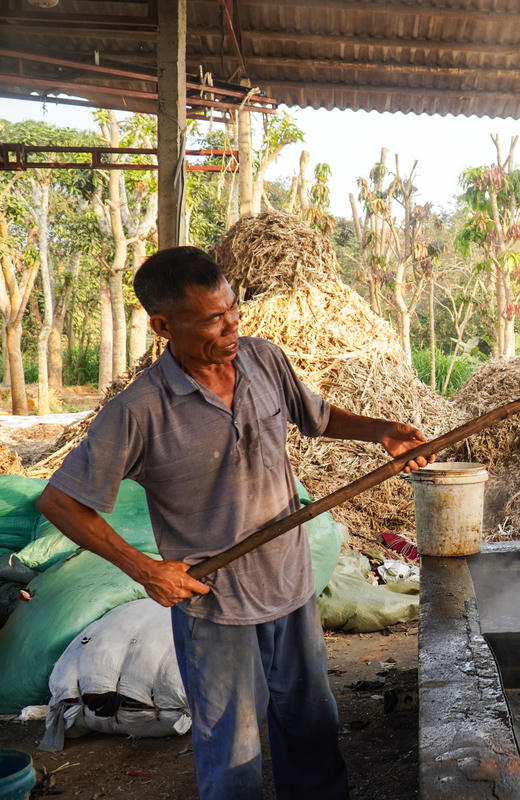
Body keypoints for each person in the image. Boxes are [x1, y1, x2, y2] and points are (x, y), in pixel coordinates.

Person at [36, 246, 432, 800]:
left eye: (232, 309)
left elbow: (317, 417)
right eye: (212, 319)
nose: (231, 327)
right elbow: (60, 502)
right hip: (216, 607)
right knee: (232, 751)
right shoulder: (139, 410)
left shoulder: (263, 359)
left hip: (290, 587)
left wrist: (379, 430)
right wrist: (146, 570)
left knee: (312, 729)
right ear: (163, 326)